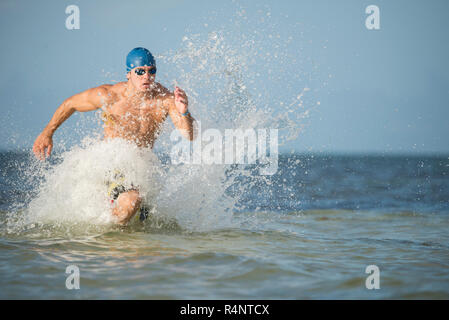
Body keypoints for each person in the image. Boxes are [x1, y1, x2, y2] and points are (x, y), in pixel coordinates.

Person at [32, 47, 195, 225]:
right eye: (140, 72)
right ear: (128, 74)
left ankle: (109, 241)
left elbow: (188, 135)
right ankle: (109, 237)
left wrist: (184, 112)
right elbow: (71, 104)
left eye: (151, 71)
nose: (146, 76)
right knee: (131, 203)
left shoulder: (165, 100)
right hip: (113, 164)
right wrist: (48, 132)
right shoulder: (110, 96)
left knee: (142, 227)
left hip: (141, 168)